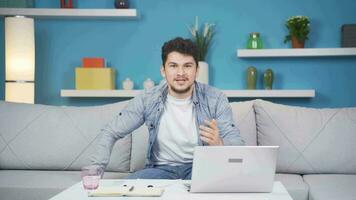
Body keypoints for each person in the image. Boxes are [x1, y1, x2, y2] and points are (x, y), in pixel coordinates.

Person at [91, 37, 245, 180]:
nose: (180, 73)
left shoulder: (216, 99)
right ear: (163, 70)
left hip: (201, 168)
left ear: (197, 70)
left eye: (187, 66)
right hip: (160, 170)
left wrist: (219, 144)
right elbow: (111, 131)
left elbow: (237, 144)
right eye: (173, 66)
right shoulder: (147, 99)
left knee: (227, 188)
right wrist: (95, 173)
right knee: (126, 191)